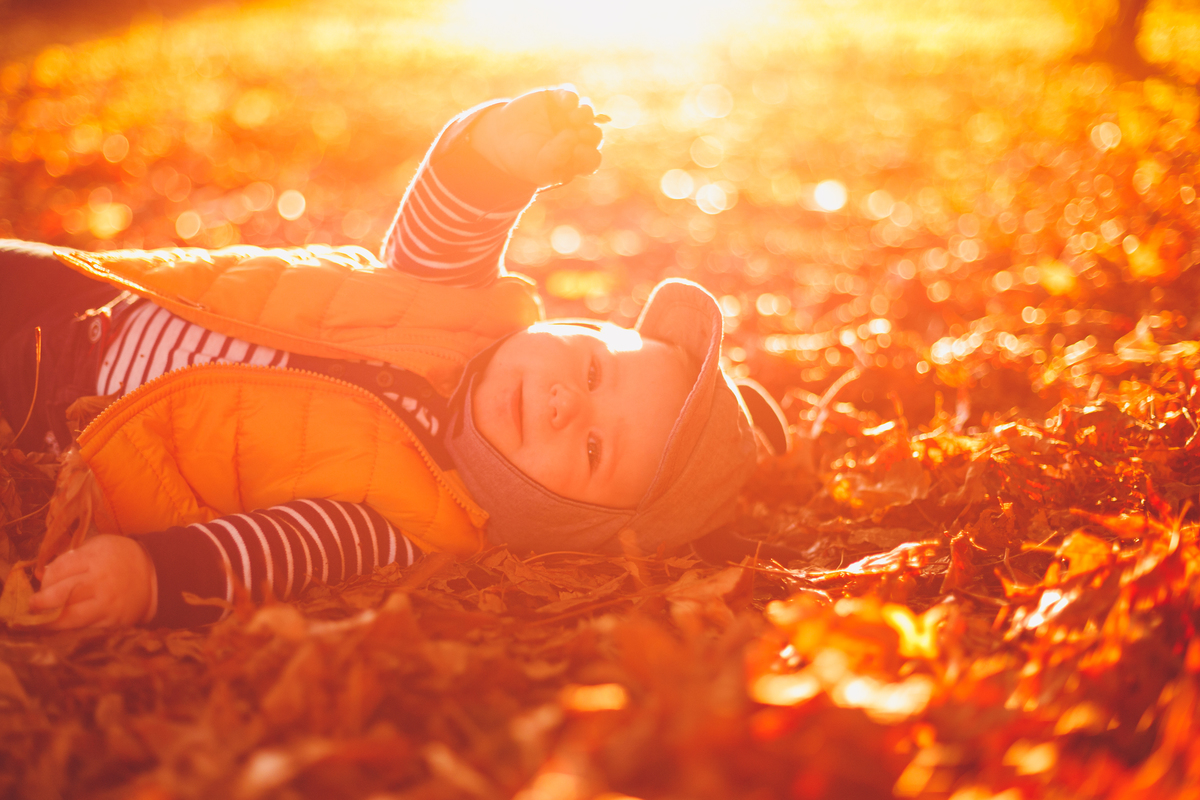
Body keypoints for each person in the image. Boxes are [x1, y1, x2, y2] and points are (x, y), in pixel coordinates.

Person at [2, 87, 788, 630]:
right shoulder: (457, 302)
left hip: (56, 409)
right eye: (591, 369)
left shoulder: (413, 517)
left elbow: (280, 548)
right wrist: (500, 155)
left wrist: (153, 579)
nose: (563, 404)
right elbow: (454, 214)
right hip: (92, 297)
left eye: (590, 448)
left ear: (570, 523)